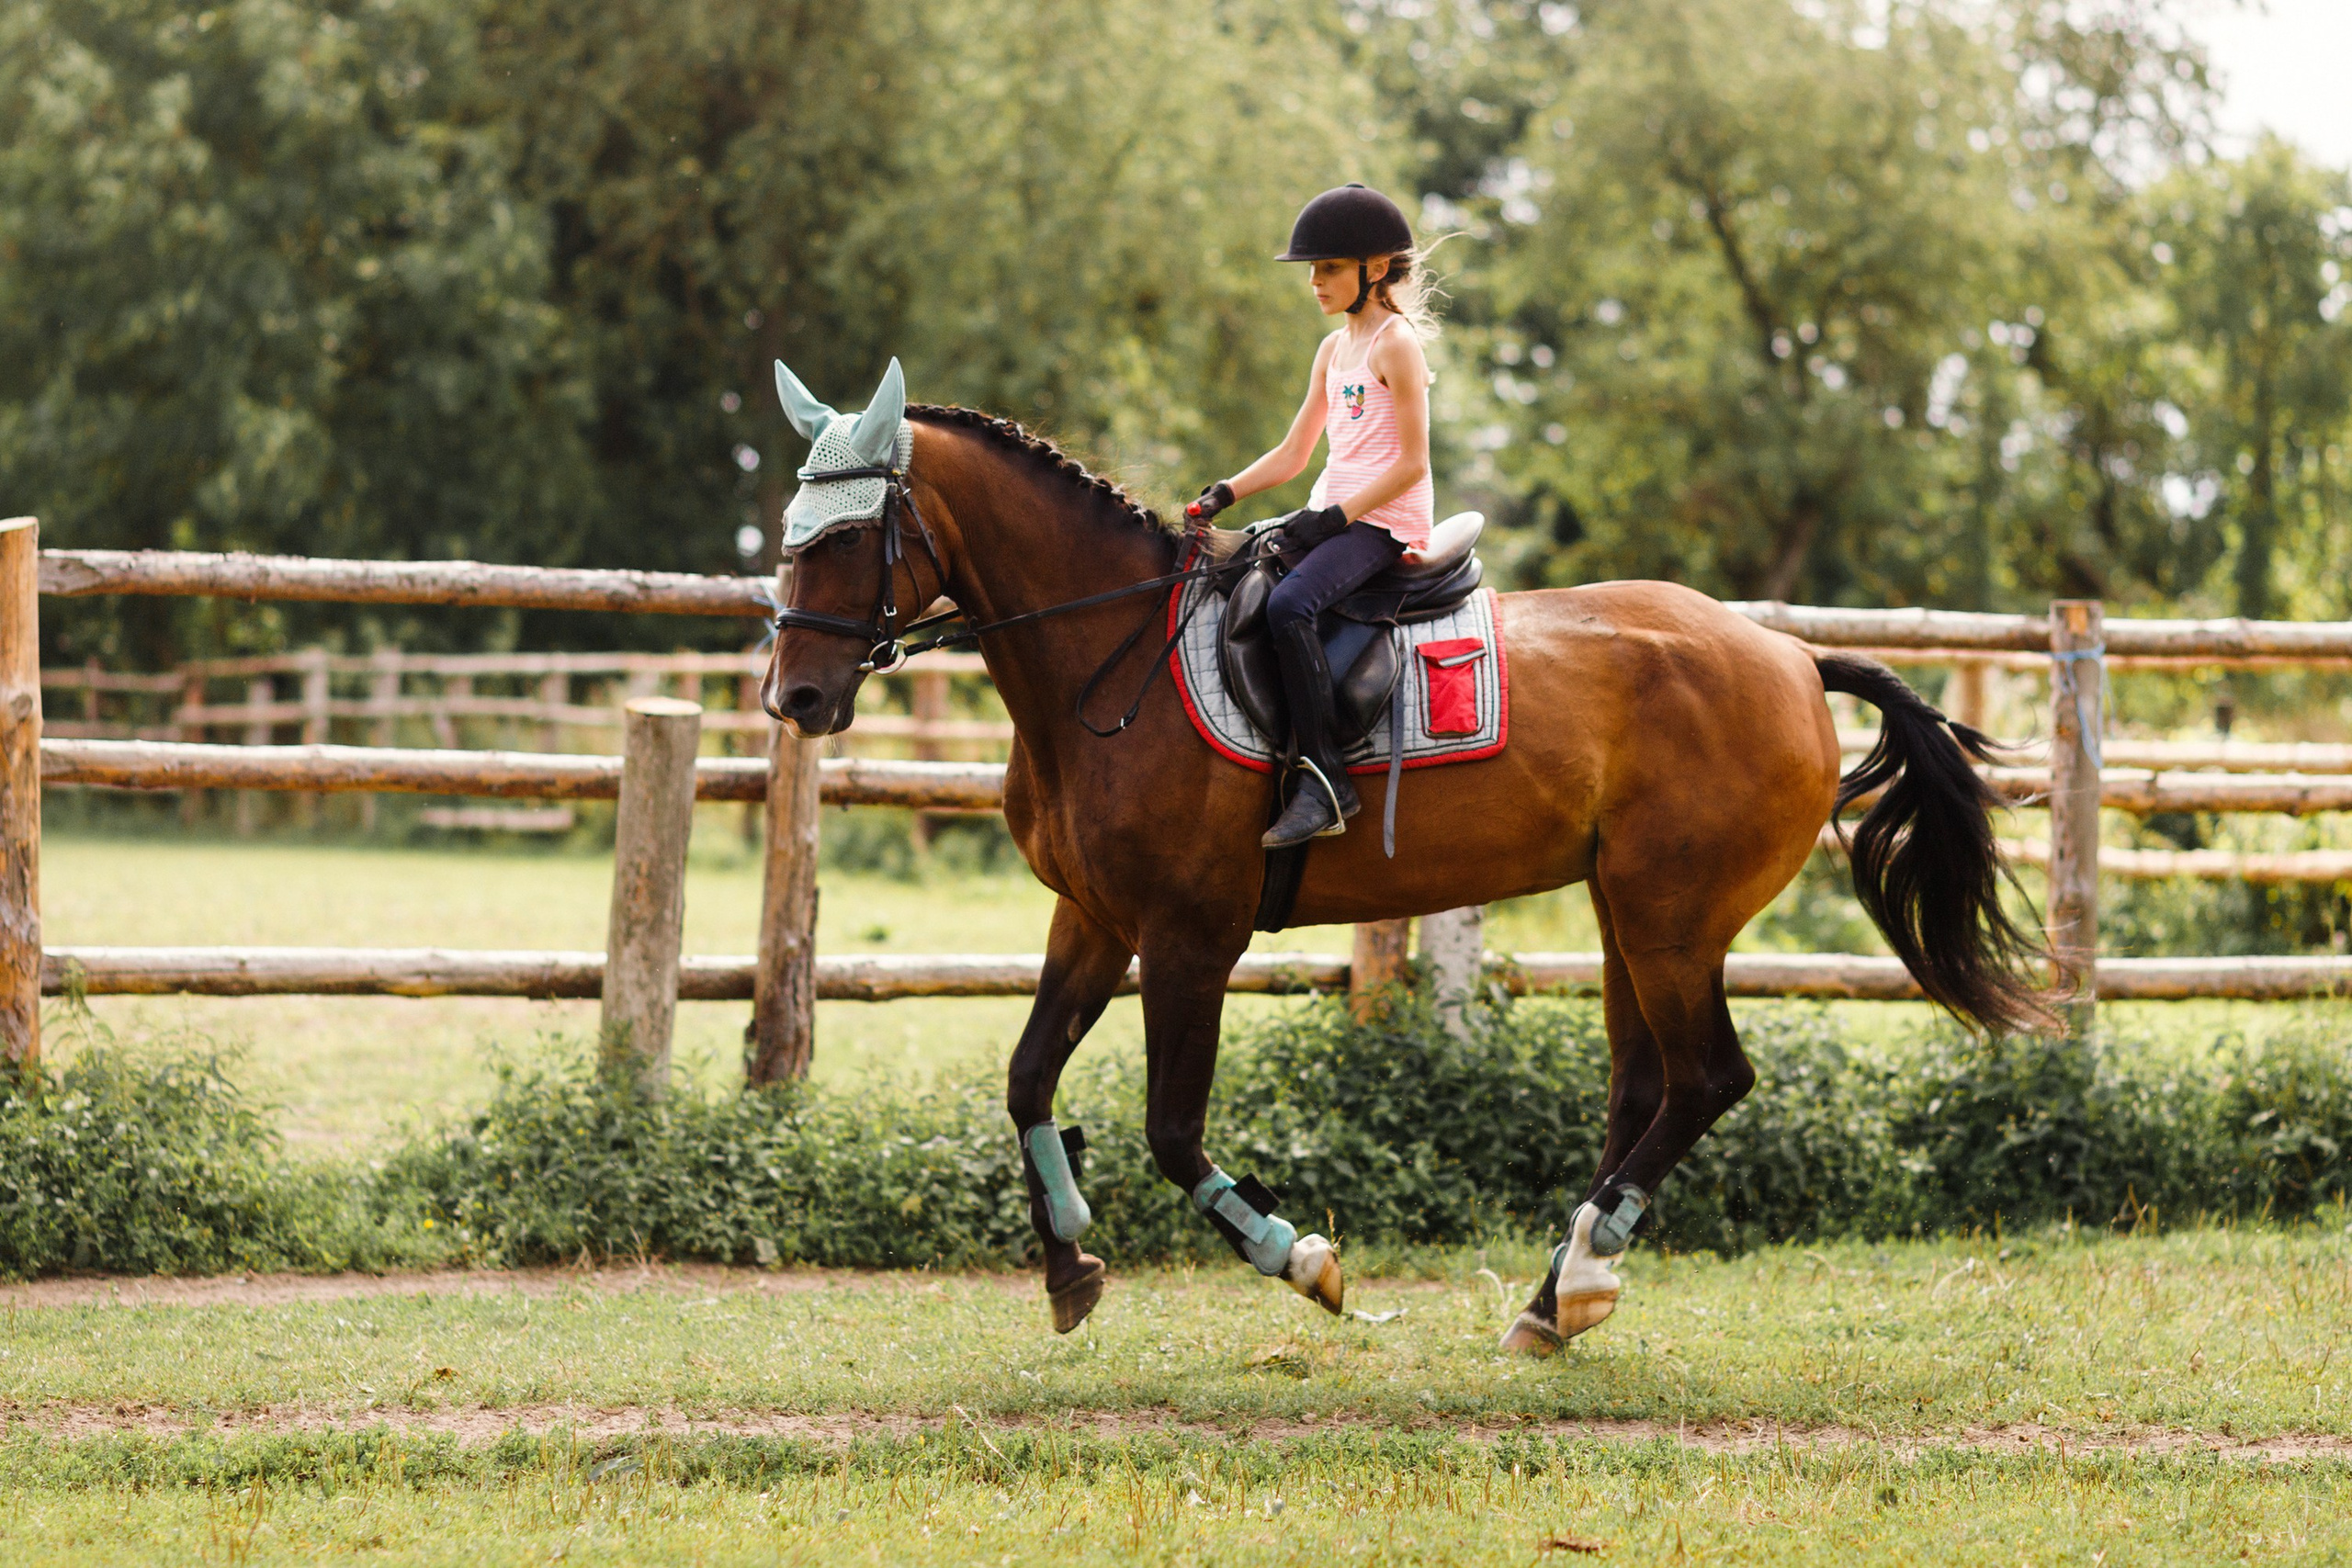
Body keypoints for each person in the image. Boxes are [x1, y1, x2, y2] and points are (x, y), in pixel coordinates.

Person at [1187, 183, 1437, 848]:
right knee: (1238, 575)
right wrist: (1224, 493)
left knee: (1290, 604)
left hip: (1382, 522)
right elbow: (1296, 451)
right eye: (1312, 269)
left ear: (1375, 269)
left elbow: (1413, 463)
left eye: (1328, 267)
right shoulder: (1333, 350)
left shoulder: (1395, 345)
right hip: (1334, 510)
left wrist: (1335, 519)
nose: (1314, 281)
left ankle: (1326, 781)